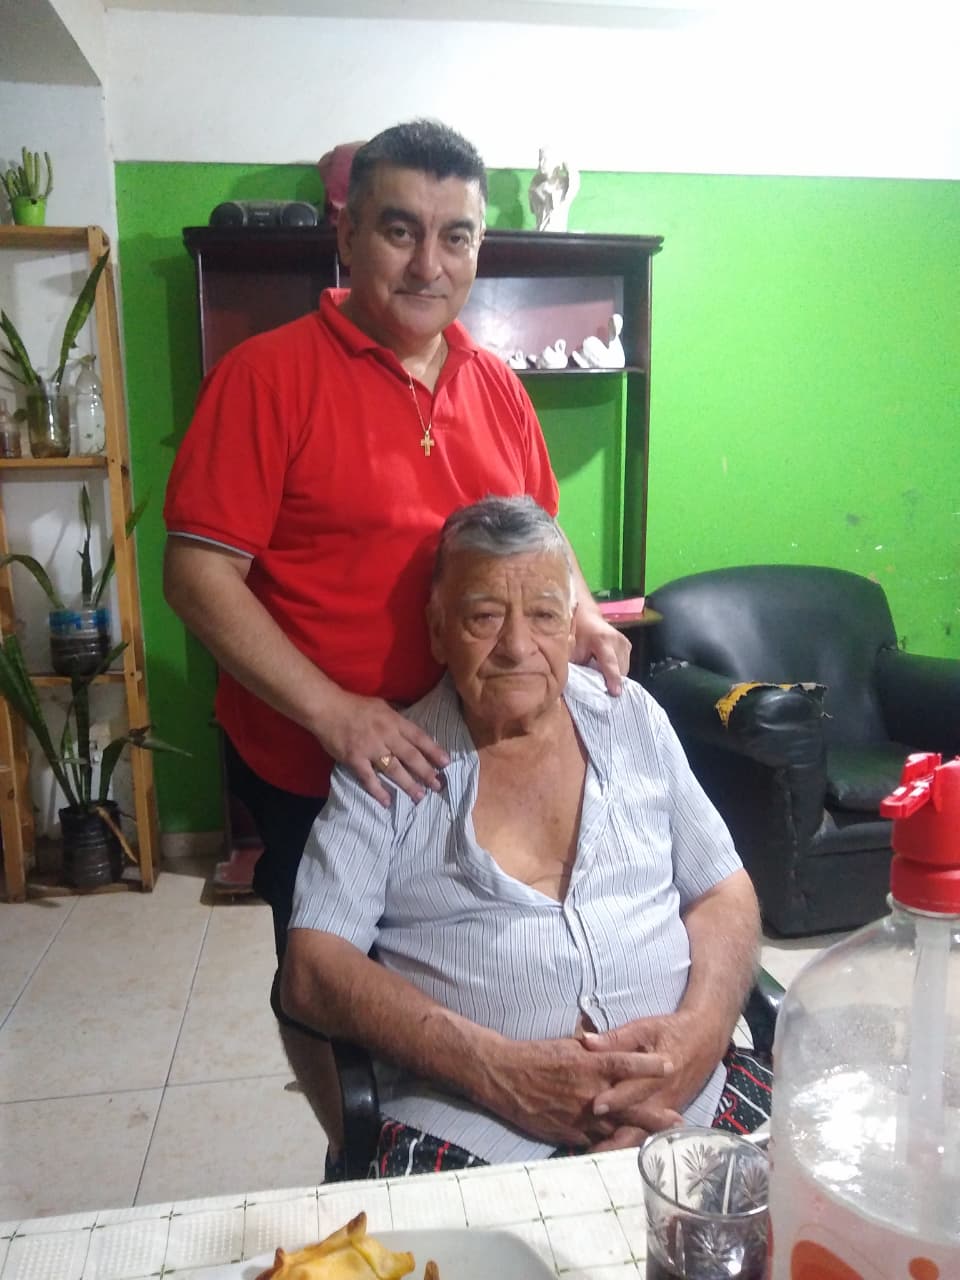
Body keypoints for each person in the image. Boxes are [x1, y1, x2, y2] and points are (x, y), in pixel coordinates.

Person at [162, 121, 629, 1135]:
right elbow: (197, 575)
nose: (429, 264)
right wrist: (337, 712)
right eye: (400, 230)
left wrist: (586, 618)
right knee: (330, 979)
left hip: (466, 752)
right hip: (315, 753)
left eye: (456, 237)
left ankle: (472, 1114)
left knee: (455, 955)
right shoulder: (265, 376)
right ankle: (361, 1143)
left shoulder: (497, 387)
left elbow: (545, 545)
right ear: (348, 232)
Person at [282, 496, 769, 1177]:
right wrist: (498, 1070)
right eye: (484, 617)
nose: (516, 647)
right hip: (475, 1128)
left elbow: (723, 889)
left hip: (691, 1095)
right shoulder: (389, 763)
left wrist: (701, 1036)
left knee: (807, 1219)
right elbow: (312, 969)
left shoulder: (631, 719)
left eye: (543, 615)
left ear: (572, 625)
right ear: (438, 630)